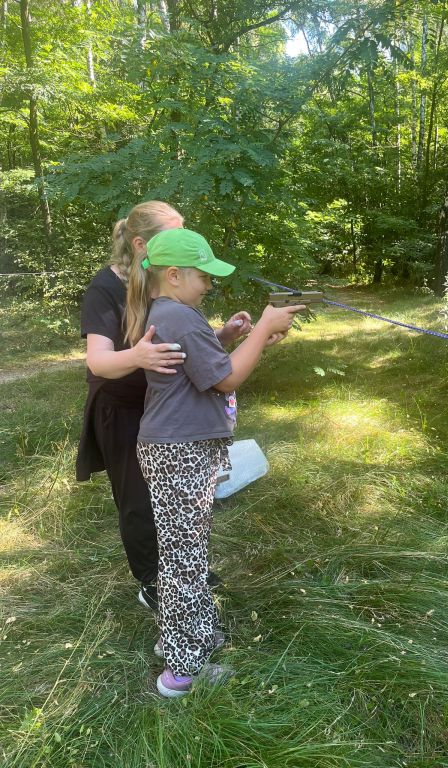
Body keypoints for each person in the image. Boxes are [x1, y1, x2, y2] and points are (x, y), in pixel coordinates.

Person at [126, 227, 305, 697]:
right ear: (174, 275)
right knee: (185, 560)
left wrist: (229, 336)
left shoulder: (175, 313)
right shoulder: (179, 315)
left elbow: (202, 366)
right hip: (179, 451)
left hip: (179, 448)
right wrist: (262, 328)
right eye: (203, 276)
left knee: (185, 553)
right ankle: (181, 673)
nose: (209, 284)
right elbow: (225, 379)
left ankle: (190, 638)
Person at [76, 201, 252, 611]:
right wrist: (136, 357)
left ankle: (182, 572)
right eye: (172, 235)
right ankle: (152, 580)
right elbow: (98, 361)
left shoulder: (167, 287)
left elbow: (180, 348)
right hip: (123, 408)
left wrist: (222, 337)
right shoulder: (105, 288)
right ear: (141, 245)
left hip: (162, 406)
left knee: (175, 501)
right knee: (139, 500)